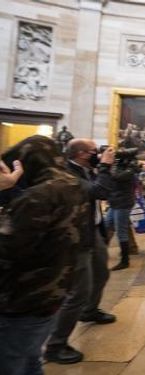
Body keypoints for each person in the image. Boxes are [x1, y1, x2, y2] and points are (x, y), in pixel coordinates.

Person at [0, 136, 88, 375]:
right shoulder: (73, 185)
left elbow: (7, 248)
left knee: (10, 363)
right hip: (53, 291)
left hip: (20, 297)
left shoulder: (36, 196)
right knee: (30, 359)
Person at [44, 140, 117, 365]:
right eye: (94, 151)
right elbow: (100, 192)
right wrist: (104, 167)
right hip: (75, 236)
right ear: (81, 154)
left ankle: (90, 310)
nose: (98, 154)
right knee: (78, 291)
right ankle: (55, 345)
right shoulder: (67, 173)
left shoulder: (86, 169)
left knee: (102, 274)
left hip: (91, 230)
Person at [106, 155, 138, 270]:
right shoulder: (121, 169)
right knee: (106, 226)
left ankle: (125, 261)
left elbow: (116, 176)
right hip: (115, 203)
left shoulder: (129, 171)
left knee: (121, 232)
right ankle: (102, 253)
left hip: (122, 204)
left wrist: (111, 165)